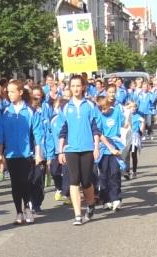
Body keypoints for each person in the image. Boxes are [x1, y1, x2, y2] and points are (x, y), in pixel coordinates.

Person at [0, 80, 43, 224]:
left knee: (26, 182)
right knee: (15, 184)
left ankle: (27, 208)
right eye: (8, 92)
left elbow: (37, 133)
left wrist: (38, 153)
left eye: (12, 91)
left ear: (20, 92)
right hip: (11, 154)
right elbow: (0, 134)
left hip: (26, 154)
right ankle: (18, 211)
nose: (9, 94)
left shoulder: (30, 111)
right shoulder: (4, 112)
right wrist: (0, 154)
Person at [58, 74, 100, 225]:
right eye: (73, 86)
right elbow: (63, 130)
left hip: (87, 147)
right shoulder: (65, 107)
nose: (75, 89)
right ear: (69, 87)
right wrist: (61, 150)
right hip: (71, 149)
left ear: (83, 87)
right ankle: (77, 215)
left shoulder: (89, 105)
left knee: (86, 181)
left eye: (78, 86)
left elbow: (95, 127)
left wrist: (96, 147)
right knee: (74, 180)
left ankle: (91, 203)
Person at [125, 101, 145, 179]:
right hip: (127, 137)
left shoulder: (138, 116)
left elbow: (142, 128)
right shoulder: (125, 116)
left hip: (135, 137)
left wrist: (142, 124)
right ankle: (126, 171)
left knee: (133, 154)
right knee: (126, 155)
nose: (133, 108)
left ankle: (134, 171)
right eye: (131, 107)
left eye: (134, 107)